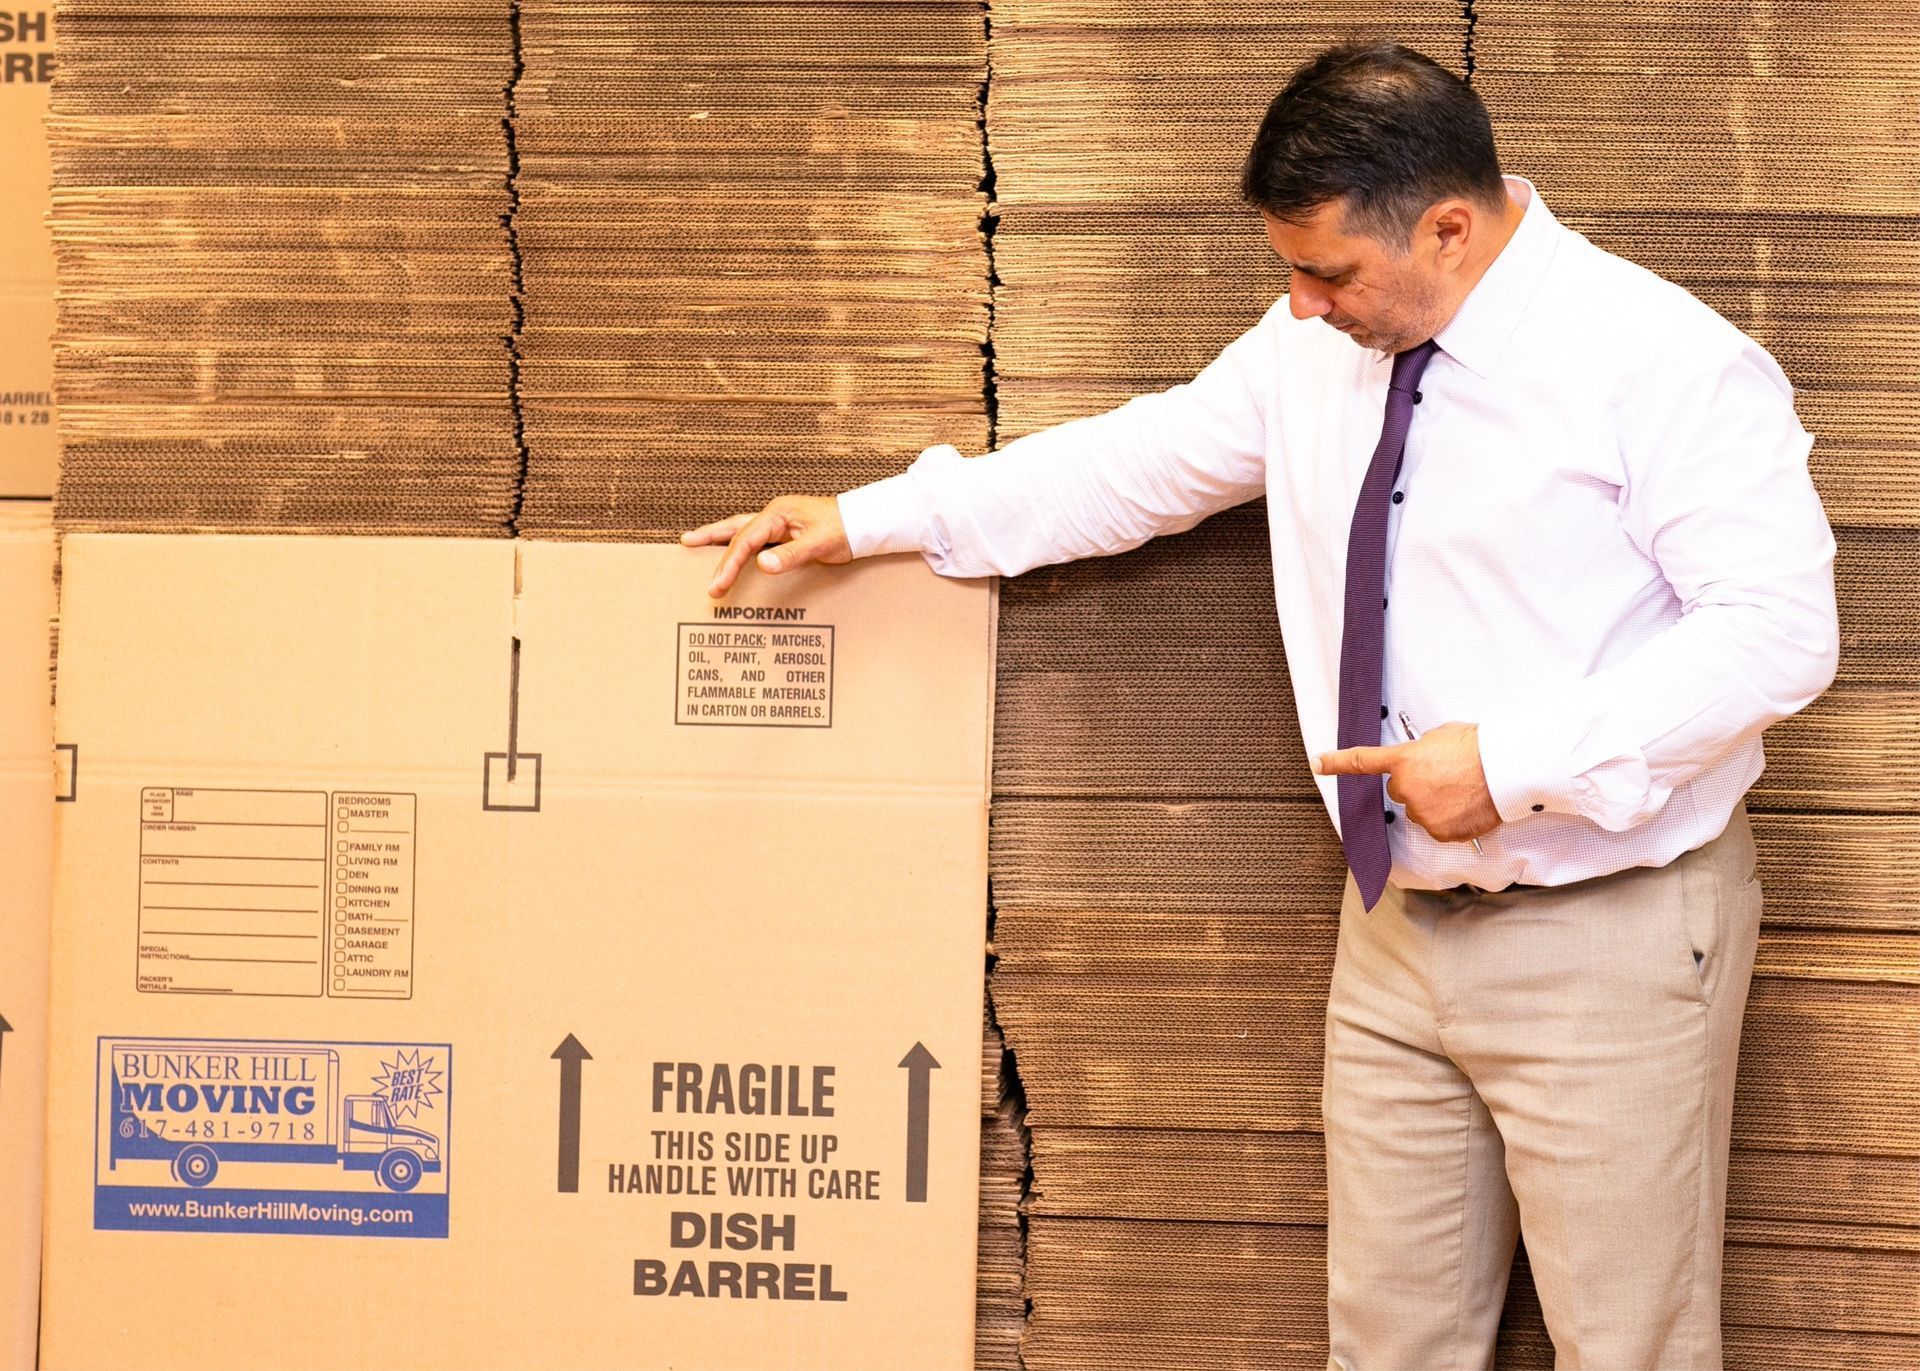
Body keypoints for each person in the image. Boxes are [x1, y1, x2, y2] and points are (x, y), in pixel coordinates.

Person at [681, 41, 1839, 1371]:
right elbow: (1134, 466)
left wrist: (1516, 763)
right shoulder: (1317, 351)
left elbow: (1779, 633)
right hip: (1399, 928)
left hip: (1614, 927)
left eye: (1327, 270)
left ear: (1450, 226)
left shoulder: (1663, 364)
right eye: (1287, 268)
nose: (1298, 305)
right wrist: (866, 519)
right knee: (1384, 1347)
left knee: (1628, 1350)